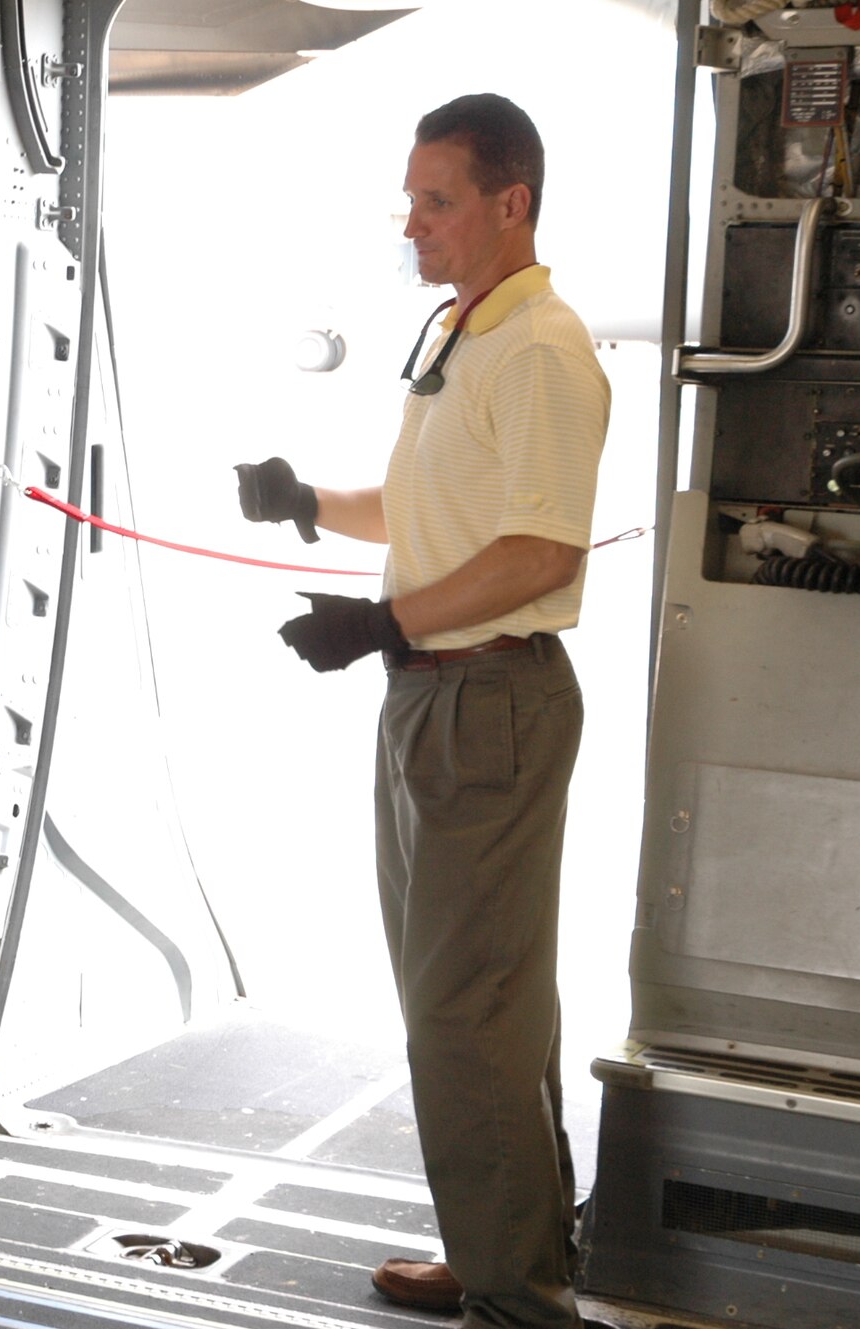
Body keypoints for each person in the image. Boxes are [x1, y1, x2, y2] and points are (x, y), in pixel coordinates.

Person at [236, 95, 611, 1329]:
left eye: (435, 201)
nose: (413, 224)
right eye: (409, 200)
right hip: (431, 699)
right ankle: (504, 1250)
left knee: (468, 1013)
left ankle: (517, 1301)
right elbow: (423, 510)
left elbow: (537, 553)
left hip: (485, 697)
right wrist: (305, 502)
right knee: (474, 1006)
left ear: (511, 202)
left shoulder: (540, 348)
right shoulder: (463, 331)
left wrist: (380, 623)